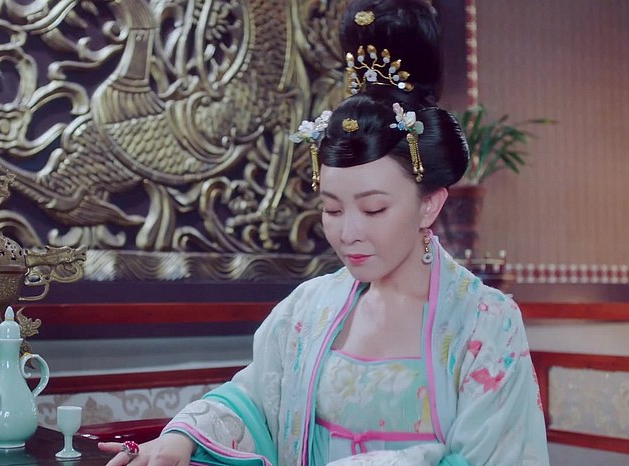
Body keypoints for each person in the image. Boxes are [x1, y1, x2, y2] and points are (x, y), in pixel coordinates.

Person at [99, 1, 549, 465]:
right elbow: (256, 401)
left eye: (374, 209)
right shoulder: (308, 310)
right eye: (332, 208)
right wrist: (181, 440)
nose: (348, 233)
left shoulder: (483, 323)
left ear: (429, 204)